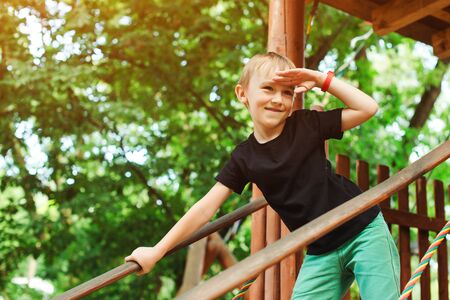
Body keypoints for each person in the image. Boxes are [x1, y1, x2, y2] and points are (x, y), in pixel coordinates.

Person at [125, 52, 400, 299]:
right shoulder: (245, 157)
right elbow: (205, 208)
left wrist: (319, 79)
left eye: (287, 92)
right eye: (268, 89)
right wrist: (157, 251)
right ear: (242, 94)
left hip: (363, 229)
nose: (278, 99)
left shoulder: (306, 124)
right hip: (321, 249)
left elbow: (368, 108)